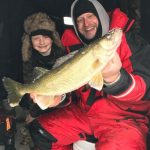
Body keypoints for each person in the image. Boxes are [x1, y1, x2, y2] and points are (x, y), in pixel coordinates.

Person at [25, 0, 150, 150]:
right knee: (40, 131)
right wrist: (60, 98)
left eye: (91, 16)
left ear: (102, 16)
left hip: (125, 119)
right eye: (79, 19)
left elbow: (146, 88)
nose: (86, 23)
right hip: (85, 114)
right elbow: (73, 91)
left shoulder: (132, 42)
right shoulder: (71, 49)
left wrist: (116, 80)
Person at [19, 12, 75, 148]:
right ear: (30, 42)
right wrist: (33, 114)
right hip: (39, 100)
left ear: (52, 38)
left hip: (64, 98)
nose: (42, 42)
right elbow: (31, 89)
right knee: (33, 125)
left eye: (45, 37)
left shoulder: (63, 54)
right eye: (36, 38)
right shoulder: (29, 61)